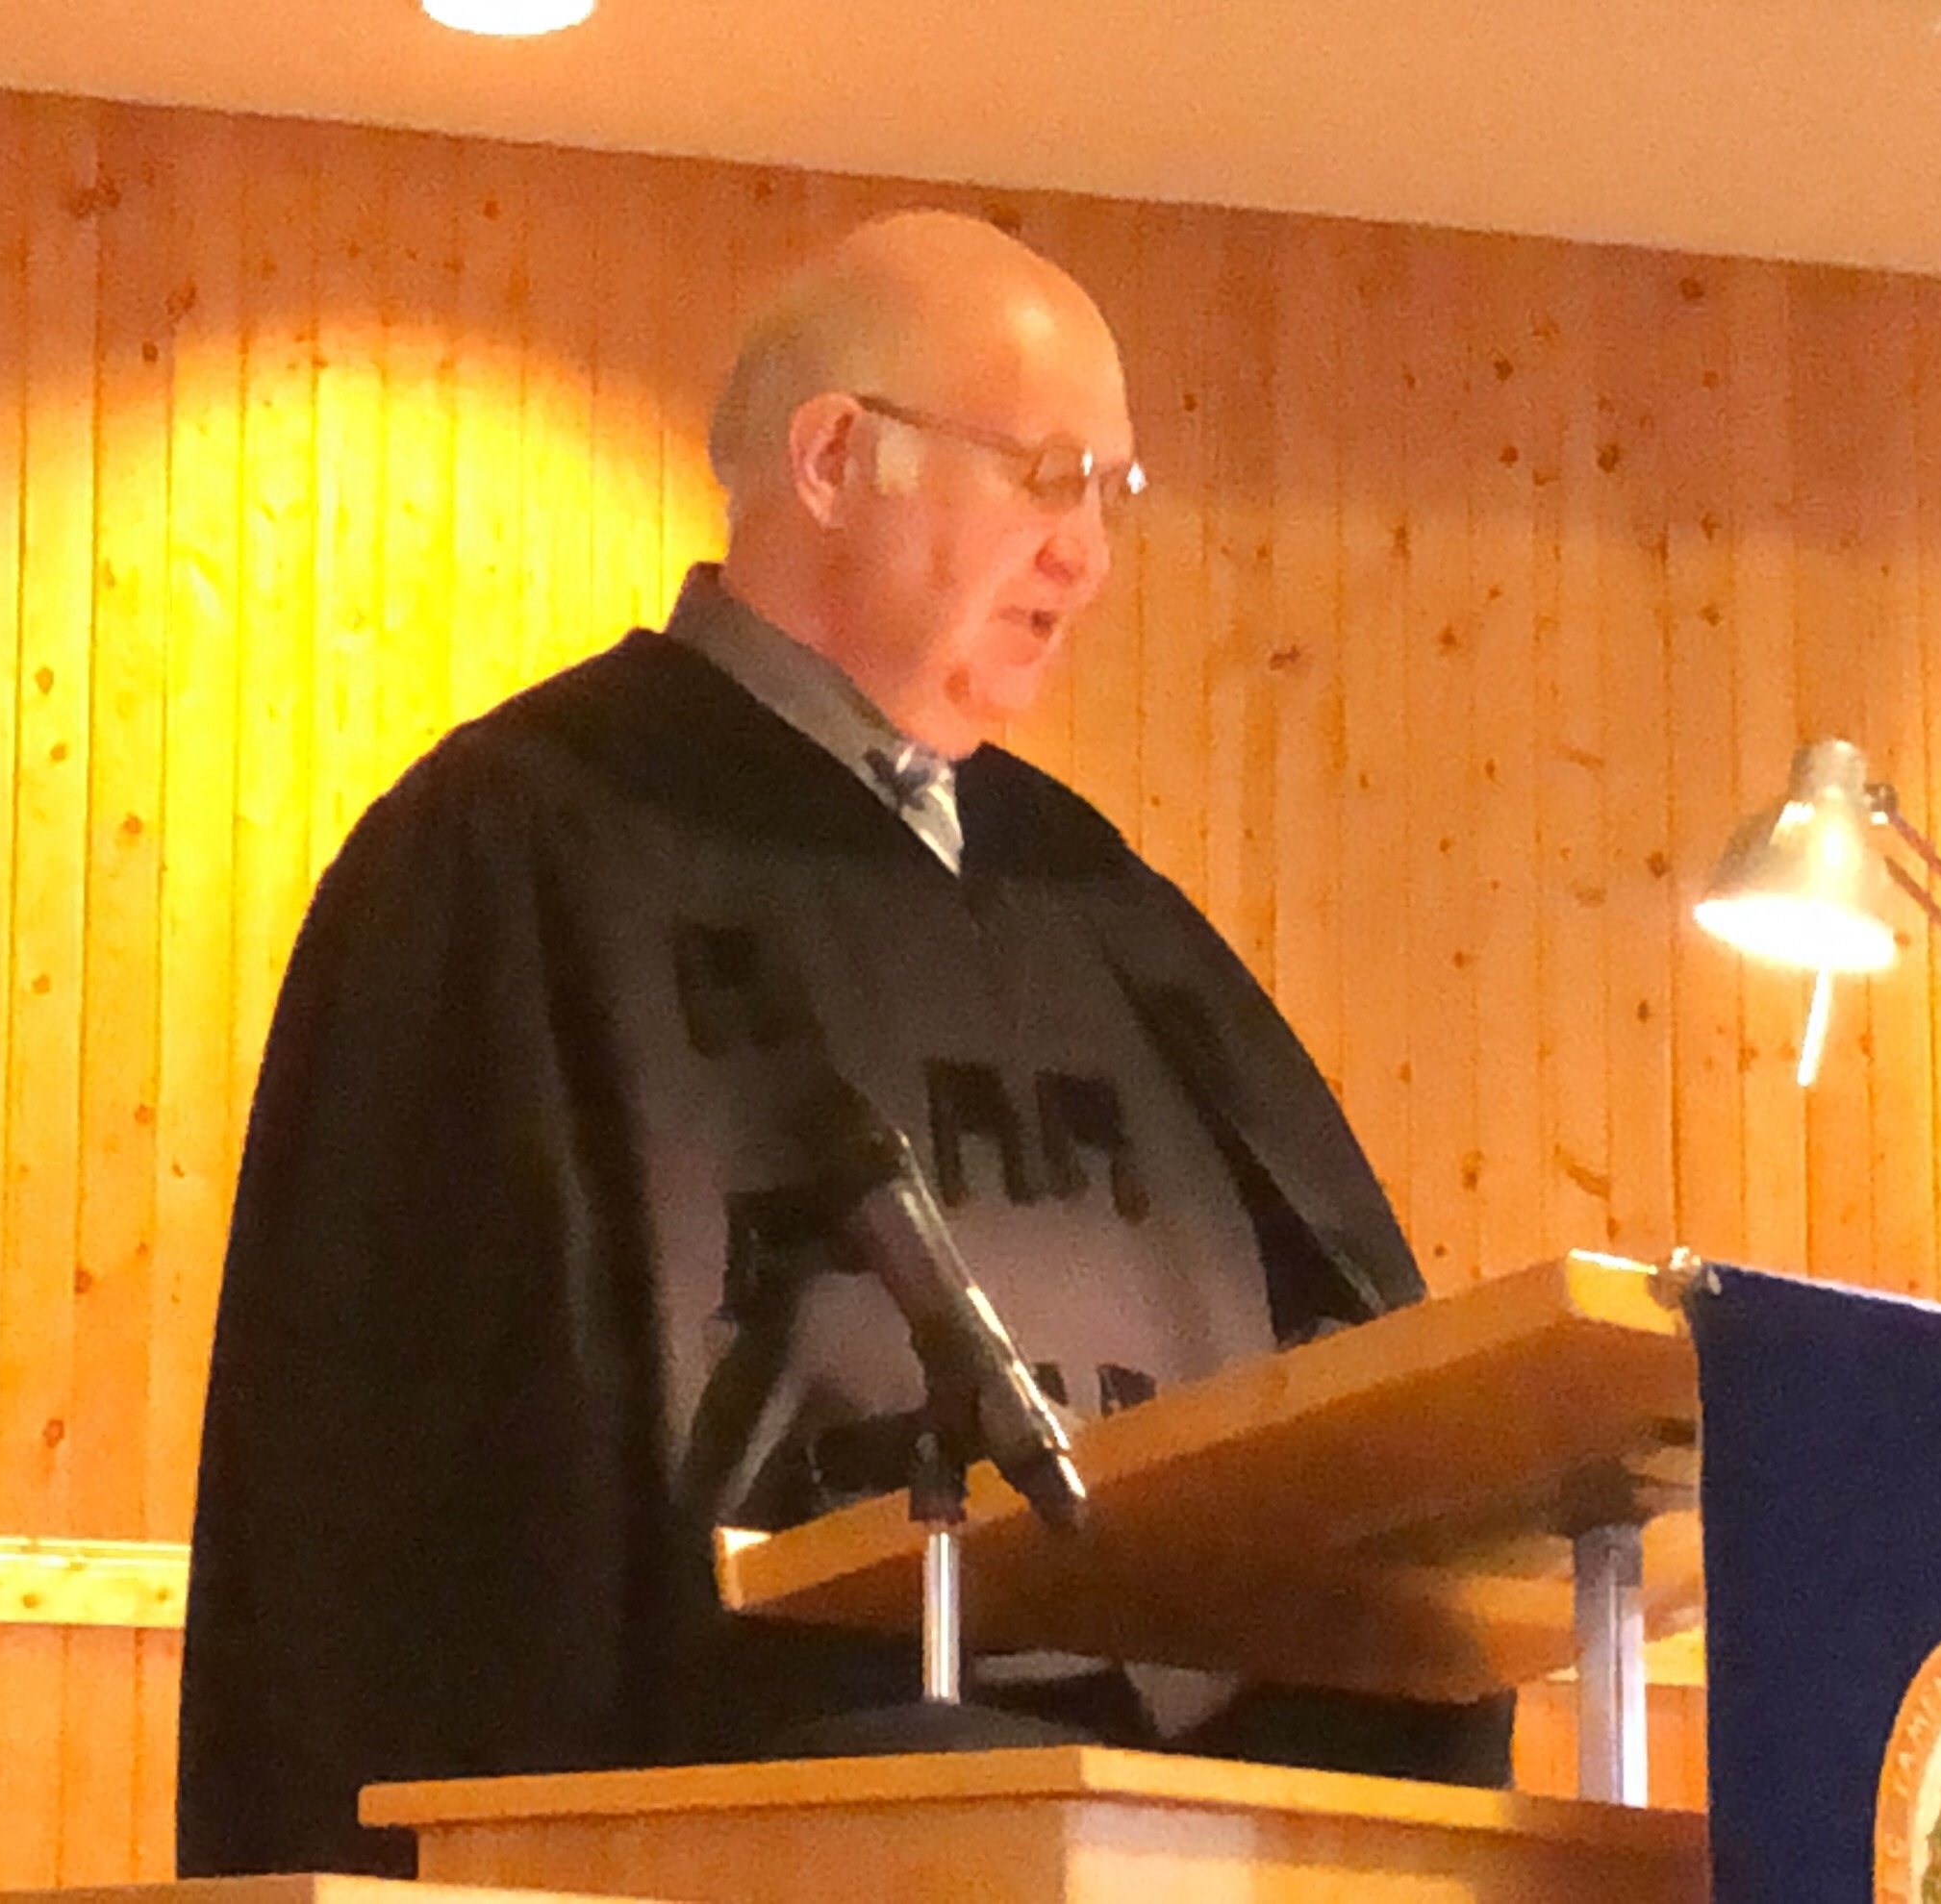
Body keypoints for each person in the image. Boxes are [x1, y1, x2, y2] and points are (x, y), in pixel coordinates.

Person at [175, 210, 1509, 1879]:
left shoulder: (1103, 908)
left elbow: (1359, 1365)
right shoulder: (514, 859)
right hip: (733, 1832)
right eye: (1049, 479)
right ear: (830, 458)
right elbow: (397, 1506)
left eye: (1112, 493)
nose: (1088, 557)